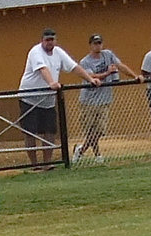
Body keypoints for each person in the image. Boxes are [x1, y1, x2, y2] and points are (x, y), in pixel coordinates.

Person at [18, 28, 99, 169]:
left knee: (49, 131)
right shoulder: (35, 52)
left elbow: (74, 67)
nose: (50, 43)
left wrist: (90, 79)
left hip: (48, 101)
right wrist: (51, 83)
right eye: (47, 40)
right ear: (42, 41)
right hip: (29, 98)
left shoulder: (58, 52)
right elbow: (43, 69)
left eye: (52, 40)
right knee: (30, 132)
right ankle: (34, 165)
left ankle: (47, 163)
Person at [73, 33, 139, 162]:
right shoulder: (85, 61)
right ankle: (97, 155)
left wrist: (134, 76)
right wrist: (108, 73)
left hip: (104, 100)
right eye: (95, 43)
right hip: (89, 101)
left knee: (99, 130)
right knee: (91, 130)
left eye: (99, 43)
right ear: (90, 45)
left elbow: (121, 66)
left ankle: (81, 150)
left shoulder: (108, 54)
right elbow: (91, 76)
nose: (97, 46)